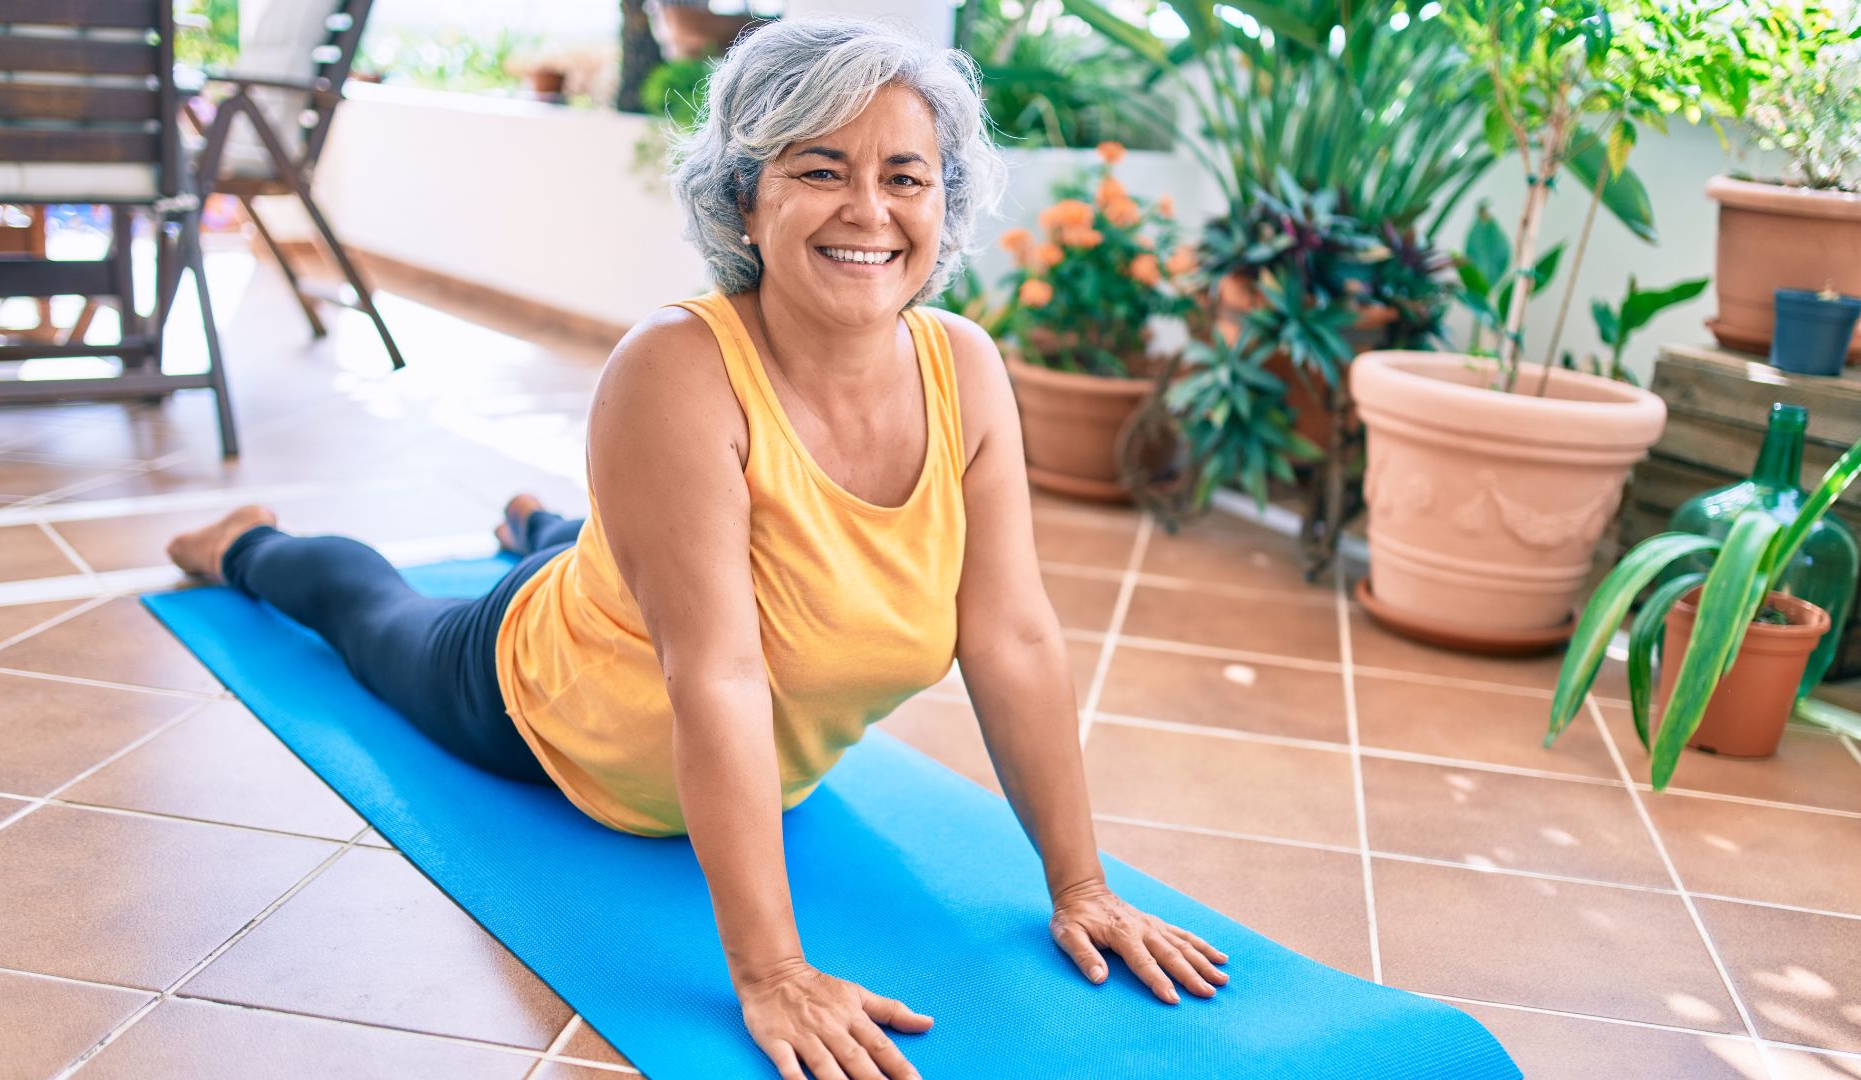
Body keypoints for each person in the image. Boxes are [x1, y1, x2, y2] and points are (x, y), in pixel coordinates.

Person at [167, 17, 1228, 1080]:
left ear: (943, 200)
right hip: (540, 701)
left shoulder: (966, 367)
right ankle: (254, 548)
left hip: (677, 614)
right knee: (373, 616)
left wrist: (1080, 885)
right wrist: (770, 972)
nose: (869, 210)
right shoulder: (675, 369)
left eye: (907, 176)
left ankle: (551, 528)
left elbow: (1013, 636)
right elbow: (717, 671)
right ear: (743, 196)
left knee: (627, 548)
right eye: (822, 168)